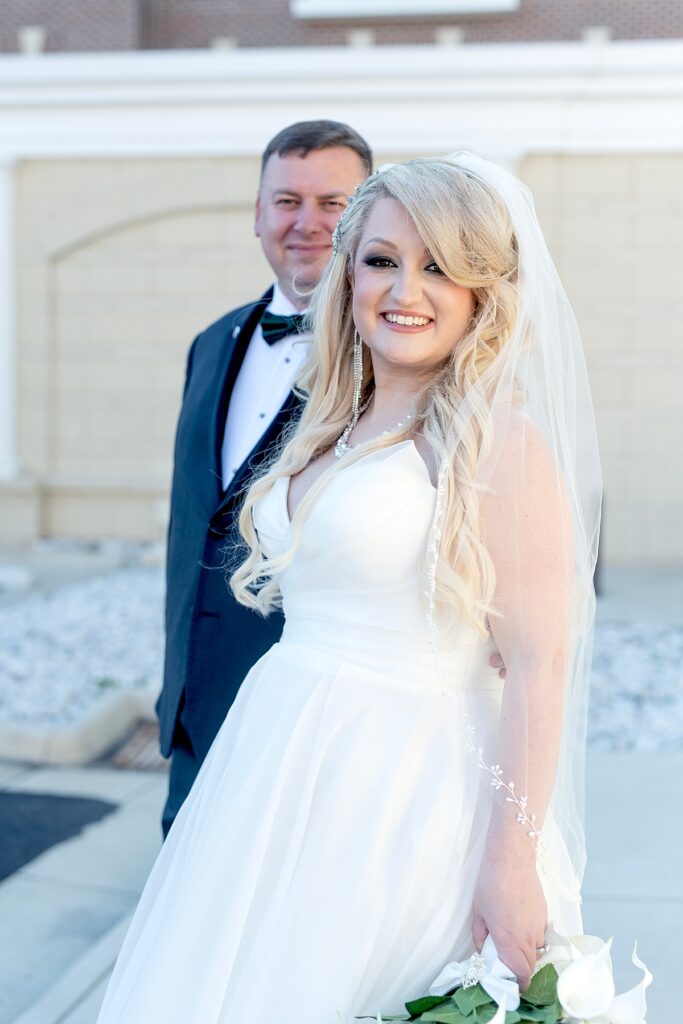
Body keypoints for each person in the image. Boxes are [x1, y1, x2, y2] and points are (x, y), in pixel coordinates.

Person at [97, 154, 601, 1023]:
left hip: (407, 791)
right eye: (381, 260)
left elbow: (539, 662)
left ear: (484, 289)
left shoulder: (495, 442)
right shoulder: (335, 417)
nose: (406, 288)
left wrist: (509, 863)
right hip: (277, 769)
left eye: (441, 265)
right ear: (347, 273)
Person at [156, 120, 372, 835]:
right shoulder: (208, 343)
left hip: (313, 725)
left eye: (332, 203)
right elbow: (196, 520)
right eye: (286, 201)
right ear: (257, 215)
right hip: (197, 710)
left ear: (366, 215)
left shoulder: (392, 357)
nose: (306, 223)